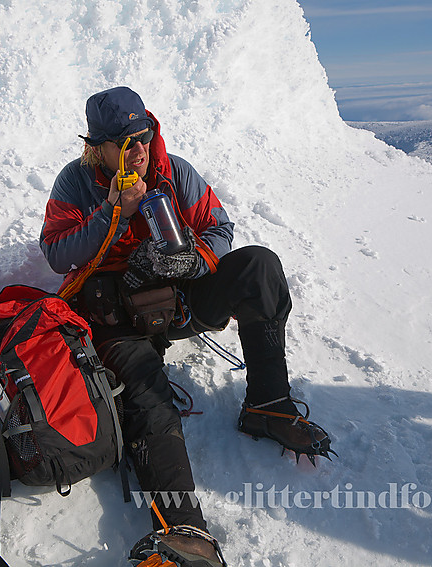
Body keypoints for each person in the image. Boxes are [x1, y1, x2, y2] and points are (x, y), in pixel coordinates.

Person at [40, 86, 334, 567]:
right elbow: (57, 253)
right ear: (99, 147)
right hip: (116, 315)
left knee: (258, 266)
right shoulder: (75, 183)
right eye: (127, 140)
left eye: (146, 133)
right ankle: (183, 527)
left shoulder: (172, 170)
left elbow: (220, 229)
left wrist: (188, 262)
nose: (140, 146)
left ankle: (268, 404)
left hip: (176, 298)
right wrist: (115, 212)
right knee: (146, 392)